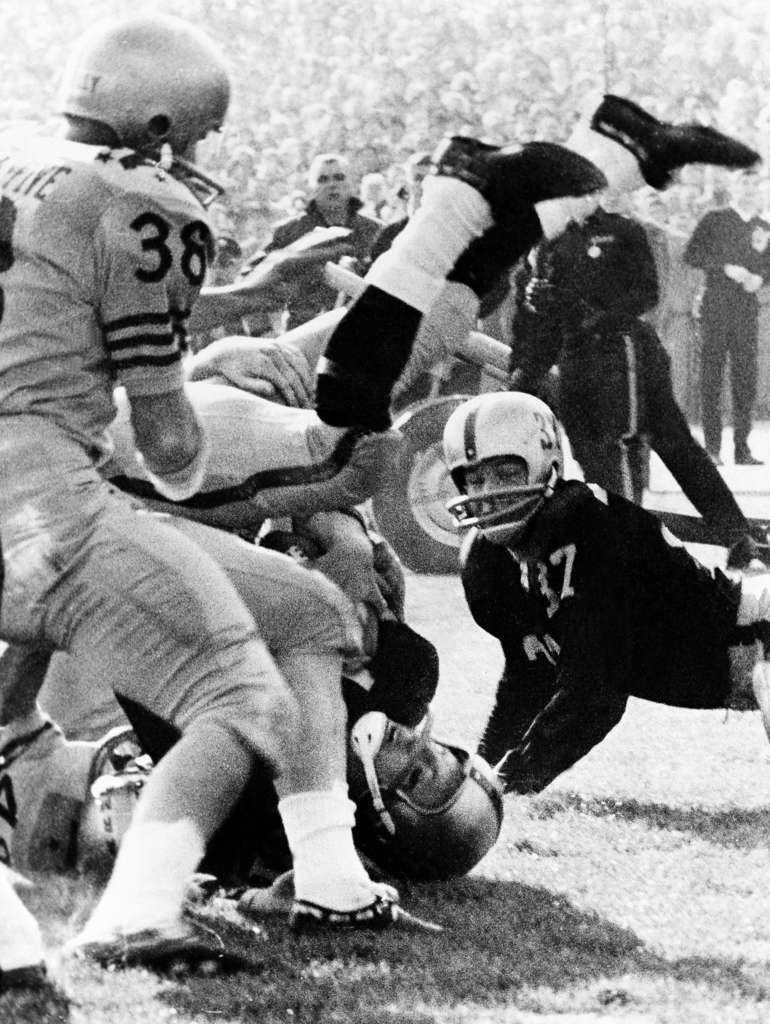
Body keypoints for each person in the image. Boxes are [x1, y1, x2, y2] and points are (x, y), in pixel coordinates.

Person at [0, 13, 408, 972]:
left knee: (304, 610)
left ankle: (331, 881)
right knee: (238, 695)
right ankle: (137, 914)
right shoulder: (148, 202)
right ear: (156, 121)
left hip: (35, 485)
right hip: (37, 496)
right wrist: (276, 471)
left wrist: (232, 304)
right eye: (199, 133)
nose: (199, 155)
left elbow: (64, 298)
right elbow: (166, 430)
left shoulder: (22, 162)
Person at [441, 391, 770, 795]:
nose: (489, 492)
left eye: (506, 473)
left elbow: (596, 693)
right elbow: (529, 675)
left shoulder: (582, 522)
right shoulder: (488, 561)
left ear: (548, 464)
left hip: (758, 634)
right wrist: (482, 772)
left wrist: (508, 780)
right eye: (474, 479)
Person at [507, 188, 767, 567]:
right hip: (575, 358)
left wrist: (585, 309)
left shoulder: (622, 231)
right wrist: (524, 372)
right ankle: (730, 535)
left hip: (625, 352)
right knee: (594, 453)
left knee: (640, 446)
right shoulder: (546, 244)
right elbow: (537, 319)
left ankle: (635, 548)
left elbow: (646, 294)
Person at [684, 169, 770, 466]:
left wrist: (761, 278)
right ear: (733, 187)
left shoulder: (763, 226)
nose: (748, 189)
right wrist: (723, 267)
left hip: (746, 309)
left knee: (745, 376)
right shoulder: (715, 219)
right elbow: (691, 253)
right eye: (742, 182)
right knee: (712, 375)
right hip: (716, 306)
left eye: (753, 184)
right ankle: (711, 447)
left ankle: (742, 447)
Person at [248, 152, 382, 329]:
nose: (332, 185)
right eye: (323, 179)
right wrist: (262, 332)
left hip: (359, 331)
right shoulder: (289, 231)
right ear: (311, 187)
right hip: (301, 329)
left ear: (351, 184)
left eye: (339, 177)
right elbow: (250, 279)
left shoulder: (375, 231)